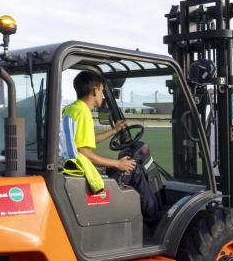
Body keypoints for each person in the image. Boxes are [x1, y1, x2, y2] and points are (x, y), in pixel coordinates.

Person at [62, 70, 160, 227]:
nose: (102, 95)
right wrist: (117, 164)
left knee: (124, 167)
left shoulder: (72, 109)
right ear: (95, 91)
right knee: (134, 170)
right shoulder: (84, 113)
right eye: (101, 91)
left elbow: (84, 141)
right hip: (84, 174)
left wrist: (113, 131)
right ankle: (155, 222)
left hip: (75, 169)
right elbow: (84, 152)